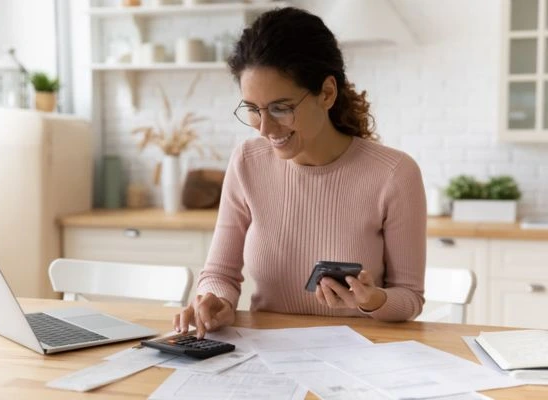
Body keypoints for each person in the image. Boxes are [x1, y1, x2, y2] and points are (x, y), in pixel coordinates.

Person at [175, 7, 426, 338]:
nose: (265, 128)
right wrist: (217, 301)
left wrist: (373, 300)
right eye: (252, 109)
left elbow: (409, 298)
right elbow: (220, 272)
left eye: (281, 108)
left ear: (327, 93)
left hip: (360, 358)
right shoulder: (248, 162)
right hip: (266, 355)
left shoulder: (394, 174)